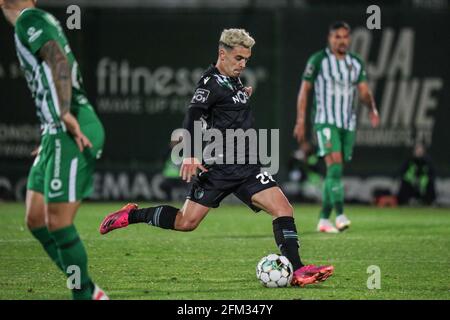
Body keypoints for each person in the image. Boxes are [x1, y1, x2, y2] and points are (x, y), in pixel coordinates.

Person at [100, 28, 334, 287]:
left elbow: (225, 113)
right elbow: (193, 115)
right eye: (238, 58)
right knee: (186, 222)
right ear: (222, 54)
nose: (243, 64)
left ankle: (298, 270)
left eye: (246, 59)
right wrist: (189, 153)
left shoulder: (233, 80)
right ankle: (131, 215)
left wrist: (241, 96)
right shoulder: (209, 83)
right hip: (218, 168)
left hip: (247, 167)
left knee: (283, 208)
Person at [1, 0, 108, 299]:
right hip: (55, 131)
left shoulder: (29, 18)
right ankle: (90, 292)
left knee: (58, 223)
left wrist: (63, 114)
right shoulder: (30, 21)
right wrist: (51, 125)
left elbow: (58, 61)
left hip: (72, 127)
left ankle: (83, 295)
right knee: (35, 219)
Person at [293, 21, 380, 233]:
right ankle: (340, 215)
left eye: (344, 37)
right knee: (335, 165)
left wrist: (372, 108)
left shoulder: (356, 62)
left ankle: (323, 219)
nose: (341, 40)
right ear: (329, 39)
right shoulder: (319, 60)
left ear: (349, 39)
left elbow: (364, 91)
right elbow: (305, 91)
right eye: (337, 37)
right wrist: (301, 120)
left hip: (347, 123)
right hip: (325, 120)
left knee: (336, 170)